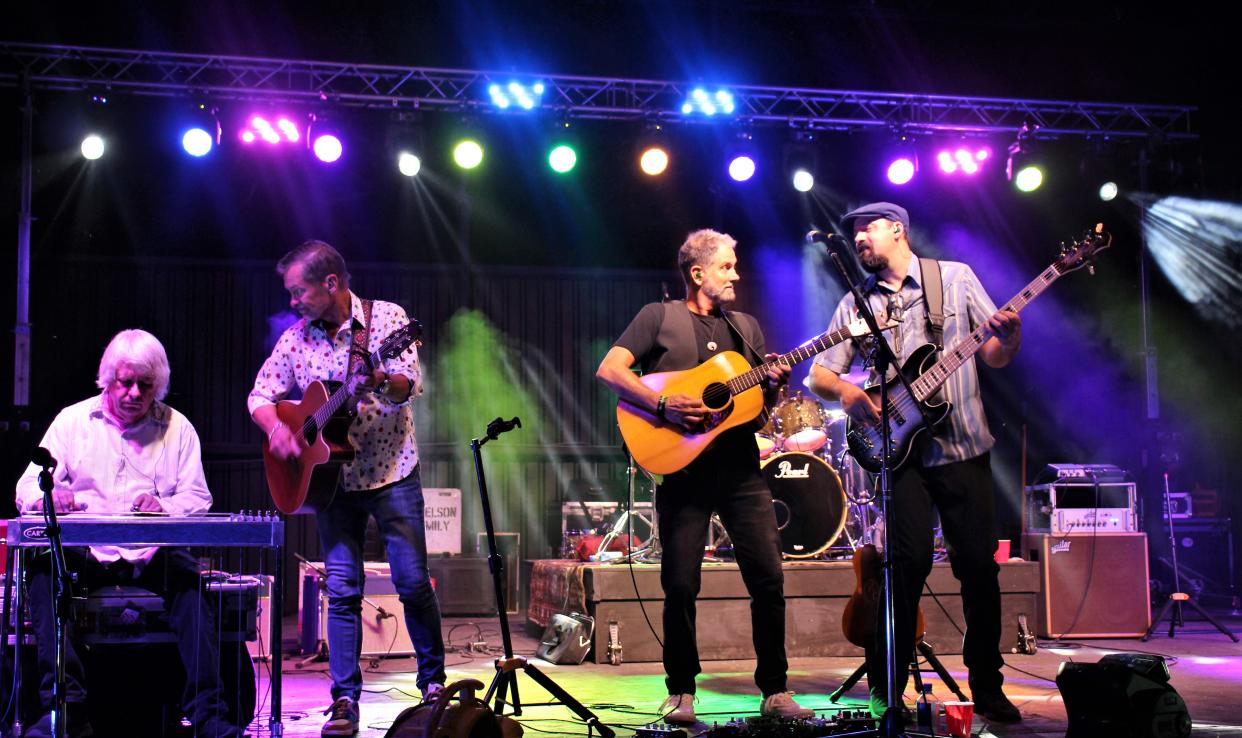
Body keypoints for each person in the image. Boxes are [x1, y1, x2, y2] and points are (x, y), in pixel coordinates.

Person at [808, 202, 1023, 723]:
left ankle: (988, 686)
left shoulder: (953, 278)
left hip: (963, 448)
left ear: (897, 230)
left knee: (978, 570)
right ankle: (887, 688)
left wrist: (1010, 333)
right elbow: (819, 375)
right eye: (853, 232)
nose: (858, 238)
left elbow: (993, 354)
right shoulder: (856, 303)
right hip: (899, 457)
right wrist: (849, 393)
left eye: (867, 230)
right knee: (902, 571)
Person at [596, 229, 813, 724]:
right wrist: (665, 403)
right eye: (726, 267)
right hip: (684, 472)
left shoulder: (745, 329)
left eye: (735, 266)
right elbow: (610, 370)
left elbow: (754, 411)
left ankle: (775, 690)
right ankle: (681, 691)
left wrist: (775, 385)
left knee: (769, 579)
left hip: (741, 471)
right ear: (697, 273)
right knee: (681, 583)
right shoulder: (659, 316)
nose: (736, 274)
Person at [247, 240, 445, 737]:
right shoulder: (296, 340)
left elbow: (408, 387)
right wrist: (278, 429)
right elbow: (259, 394)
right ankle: (344, 700)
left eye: (299, 291)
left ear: (331, 283)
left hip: (392, 471)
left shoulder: (387, 322)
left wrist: (381, 379)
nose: (293, 301)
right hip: (332, 484)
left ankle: (434, 685)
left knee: (413, 581)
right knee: (341, 590)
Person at [14, 329, 239, 738]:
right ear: (107, 378)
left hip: (152, 551)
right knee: (44, 577)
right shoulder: (71, 422)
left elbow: (198, 496)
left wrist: (165, 507)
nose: (135, 393)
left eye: (146, 385)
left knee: (192, 588)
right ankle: (63, 709)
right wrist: (53, 497)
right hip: (87, 551)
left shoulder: (178, 428)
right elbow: (27, 487)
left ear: (159, 385)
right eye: (126, 382)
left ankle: (208, 716)